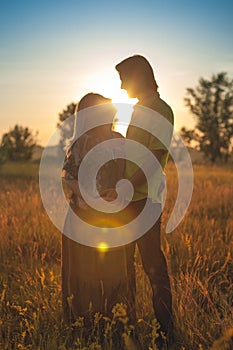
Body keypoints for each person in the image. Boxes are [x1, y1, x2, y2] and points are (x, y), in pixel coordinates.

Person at [107, 55, 174, 346]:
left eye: (124, 79)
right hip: (127, 200)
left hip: (145, 201)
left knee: (153, 266)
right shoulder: (139, 110)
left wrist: (126, 188)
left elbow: (154, 160)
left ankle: (165, 331)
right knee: (125, 267)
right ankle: (128, 328)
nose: (121, 87)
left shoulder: (160, 110)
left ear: (138, 76)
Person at [61, 93, 131, 327]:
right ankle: (86, 326)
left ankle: (116, 322)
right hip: (82, 217)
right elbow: (68, 178)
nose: (113, 111)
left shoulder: (119, 139)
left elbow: (127, 175)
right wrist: (90, 197)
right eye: (106, 108)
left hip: (112, 218)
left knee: (115, 273)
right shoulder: (82, 142)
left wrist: (118, 191)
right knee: (84, 276)